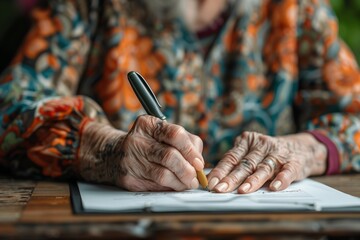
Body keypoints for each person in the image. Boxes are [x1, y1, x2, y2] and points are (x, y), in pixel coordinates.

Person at [0, 0, 359, 194]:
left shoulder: (297, 9)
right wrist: (104, 150)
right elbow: (9, 108)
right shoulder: (86, 7)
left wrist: (303, 150)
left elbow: (353, 115)